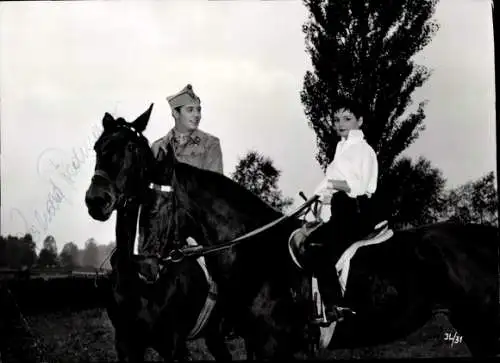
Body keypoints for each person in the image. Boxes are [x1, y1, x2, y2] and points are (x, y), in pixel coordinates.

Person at [307, 104, 378, 324]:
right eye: (337, 119)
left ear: (360, 121)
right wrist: (315, 200)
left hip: (357, 210)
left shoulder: (364, 150)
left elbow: (359, 186)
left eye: (347, 119)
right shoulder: (342, 147)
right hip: (339, 209)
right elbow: (328, 185)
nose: (340, 124)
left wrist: (332, 184)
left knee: (317, 246)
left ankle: (336, 305)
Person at [151, 84, 224, 174]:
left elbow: (214, 184)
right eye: (190, 110)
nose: (197, 115)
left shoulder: (210, 144)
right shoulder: (158, 147)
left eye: (198, 110)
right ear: (175, 113)